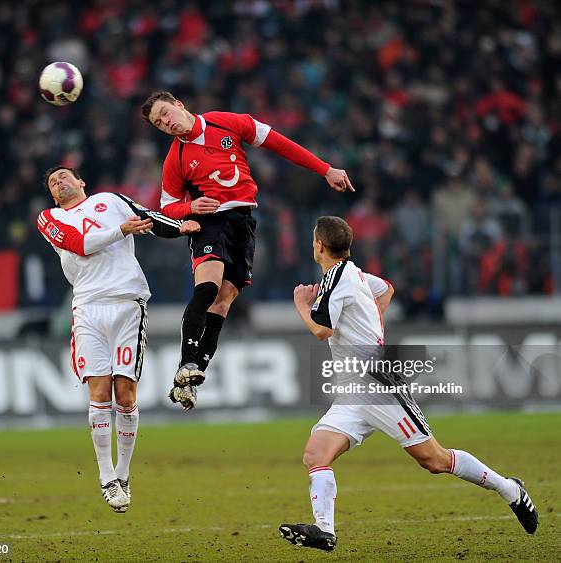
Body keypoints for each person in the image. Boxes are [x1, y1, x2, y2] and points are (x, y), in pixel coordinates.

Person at [279, 216, 538, 551]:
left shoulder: (338, 279)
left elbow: (321, 330)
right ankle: (325, 530)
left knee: (434, 460)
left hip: (377, 384)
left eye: (313, 239)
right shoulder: (353, 273)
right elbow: (385, 289)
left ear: (319, 245)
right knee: (316, 453)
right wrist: (369, 321)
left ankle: (509, 489)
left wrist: (301, 304)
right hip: (351, 391)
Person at [141, 90, 354, 410]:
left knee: (224, 302)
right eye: (159, 123)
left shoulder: (227, 123)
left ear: (179, 105)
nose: (166, 123)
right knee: (208, 287)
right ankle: (186, 362)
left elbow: (280, 144)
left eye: (166, 114)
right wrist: (190, 206)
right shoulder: (176, 158)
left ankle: (193, 375)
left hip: (243, 222)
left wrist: (325, 169)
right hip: (208, 222)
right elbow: (166, 209)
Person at [37, 165, 200, 513]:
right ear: (52, 194)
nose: (60, 182)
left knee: (125, 394)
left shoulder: (110, 200)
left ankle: (123, 476)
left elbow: (150, 218)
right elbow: (78, 244)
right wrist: (120, 230)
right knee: (99, 391)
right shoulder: (48, 218)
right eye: (53, 182)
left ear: (82, 181)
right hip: (88, 308)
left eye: (64, 176)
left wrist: (182, 225)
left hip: (128, 303)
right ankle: (106, 477)